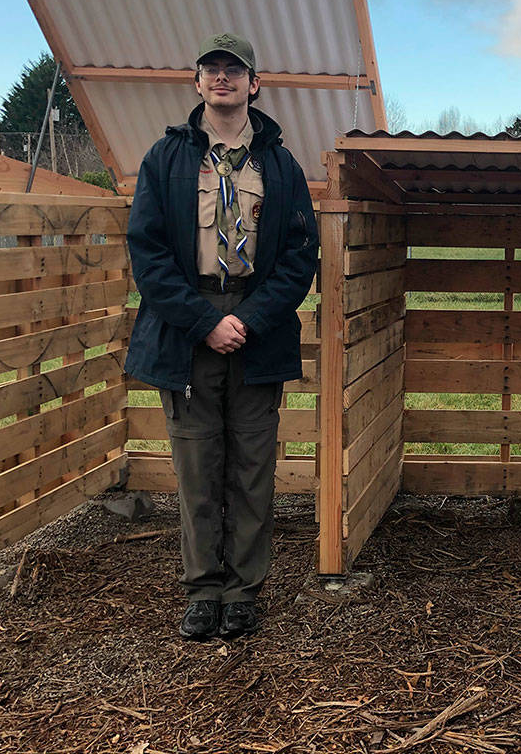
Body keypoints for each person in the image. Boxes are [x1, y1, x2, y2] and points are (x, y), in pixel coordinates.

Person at [126, 33, 318, 640]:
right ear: (198, 82)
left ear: (254, 85)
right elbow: (148, 253)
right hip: (187, 329)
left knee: (253, 466)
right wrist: (205, 322)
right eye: (211, 69)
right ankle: (203, 587)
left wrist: (249, 320)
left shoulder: (280, 165)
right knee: (197, 464)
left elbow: (297, 255)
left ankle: (243, 590)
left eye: (234, 70)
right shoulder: (168, 159)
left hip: (257, 329)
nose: (222, 78)